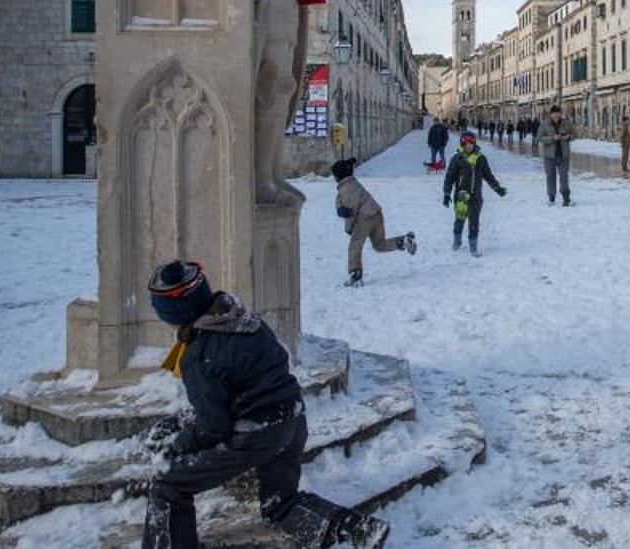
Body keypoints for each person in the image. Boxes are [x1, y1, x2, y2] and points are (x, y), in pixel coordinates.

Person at [142, 261, 389, 548]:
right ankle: (358, 529)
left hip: (256, 434)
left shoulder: (199, 354)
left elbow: (215, 427)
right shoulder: (241, 319)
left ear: (172, 312)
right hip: (292, 419)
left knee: (168, 486)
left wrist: (179, 446)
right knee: (279, 504)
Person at [334, 158, 416, 287]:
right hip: (376, 214)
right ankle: (403, 241)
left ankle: (355, 275)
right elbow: (341, 200)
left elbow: (350, 212)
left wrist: (349, 229)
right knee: (379, 245)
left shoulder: (346, 189)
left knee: (355, 246)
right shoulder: (352, 183)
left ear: (337, 176)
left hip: (364, 218)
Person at [442, 131, 506, 257]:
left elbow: (488, 176)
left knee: (474, 222)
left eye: (472, 143)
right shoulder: (457, 158)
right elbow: (449, 177)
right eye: (467, 144)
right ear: (462, 143)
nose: (469, 146)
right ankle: (457, 239)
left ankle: (473, 246)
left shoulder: (481, 158)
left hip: (476, 196)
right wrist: (447, 193)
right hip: (461, 196)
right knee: (460, 219)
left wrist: (497, 188)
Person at [538, 105, 576, 206]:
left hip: (563, 155)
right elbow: (540, 138)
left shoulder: (566, 123)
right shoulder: (545, 124)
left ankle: (566, 198)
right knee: (550, 177)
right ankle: (551, 198)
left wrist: (568, 137)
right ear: (551, 114)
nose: (557, 115)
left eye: (558, 113)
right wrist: (552, 138)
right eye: (555, 114)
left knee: (564, 177)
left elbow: (575, 133)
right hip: (549, 156)